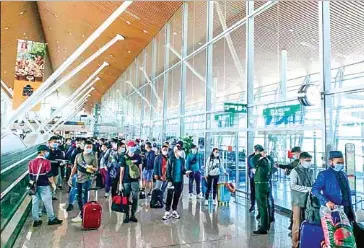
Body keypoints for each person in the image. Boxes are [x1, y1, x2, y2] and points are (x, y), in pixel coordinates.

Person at [312, 151, 355, 222]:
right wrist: (326, 201)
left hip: (346, 208)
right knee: (334, 232)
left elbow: (346, 191)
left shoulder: (343, 174)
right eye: (338, 163)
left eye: (342, 163)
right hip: (332, 209)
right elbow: (315, 190)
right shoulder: (324, 174)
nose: (341, 165)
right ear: (330, 162)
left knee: (347, 231)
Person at [28, 145, 63, 227]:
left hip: (34, 185)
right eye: (47, 151)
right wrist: (53, 184)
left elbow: (30, 175)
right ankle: (51, 219)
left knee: (35, 202)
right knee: (47, 202)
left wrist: (31, 185)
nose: (47, 153)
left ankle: (36, 220)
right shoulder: (46, 162)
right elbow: (49, 175)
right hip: (44, 185)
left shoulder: (31, 162)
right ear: (43, 152)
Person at [69, 140, 98, 223]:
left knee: (85, 196)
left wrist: (90, 167)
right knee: (78, 196)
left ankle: (84, 214)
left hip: (87, 178)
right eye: (87, 147)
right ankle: (82, 211)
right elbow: (75, 167)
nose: (89, 148)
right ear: (84, 147)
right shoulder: (78, 156)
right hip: (78, 178)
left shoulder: (93, 157)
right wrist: (71, 177)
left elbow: (96, 169)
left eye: (90, 147)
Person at [290, 152, 314, 248]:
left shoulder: (310, 171)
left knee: (307, 222)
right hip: (297, 201)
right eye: (307, 160)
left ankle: (305, 242)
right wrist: (306, 189)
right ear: (301, 160)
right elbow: (293, 186)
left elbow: (312, 183)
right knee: (297, 223)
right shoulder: (295, 171)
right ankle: (295, 244)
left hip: (308, 201)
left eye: (310, 160)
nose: (309, 162)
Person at [118, 144, 143, 223]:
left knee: (135, 198)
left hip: (135, 180)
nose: (132, 148)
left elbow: (140, 169)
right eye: (131, 146)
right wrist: (120, 183)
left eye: (133, 147)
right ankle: (127, 215)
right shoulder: (124, 157)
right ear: (128, 147)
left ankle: (133, 214)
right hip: (126, 180)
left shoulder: (138, 157)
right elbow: (121, 171)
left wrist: (141, 180)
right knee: (125, 198)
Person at [162, 145, 187, 220]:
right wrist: (169, 180)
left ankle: (174, 210)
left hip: (179, 181)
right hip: (172, 180)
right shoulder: (171, 159)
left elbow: (183, 169)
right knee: (169, 195)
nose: (181, 152)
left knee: (177, 196)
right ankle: (167, 211)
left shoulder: (182, 160)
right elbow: (168, 171)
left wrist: (186, 172)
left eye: (181, 150)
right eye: (179, 150)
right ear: (175, 151)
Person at [251, 145, 271, 235]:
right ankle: (264, 225)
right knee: (262, 205)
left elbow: (253, 160)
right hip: (262, 184)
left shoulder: (264, 161)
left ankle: (264, 227)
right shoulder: (266, 161)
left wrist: (259, 155)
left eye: (256, 151)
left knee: (263, 206)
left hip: (261, 185)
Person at [248, 145, 264, 212]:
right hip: (253, 177)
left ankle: (259, 207)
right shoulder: (251, 157)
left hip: (260, 178)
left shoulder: (262, 157)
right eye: (259, 151)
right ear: (256, 151)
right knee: (253, 191)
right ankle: (253, 205)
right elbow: (251, 166)